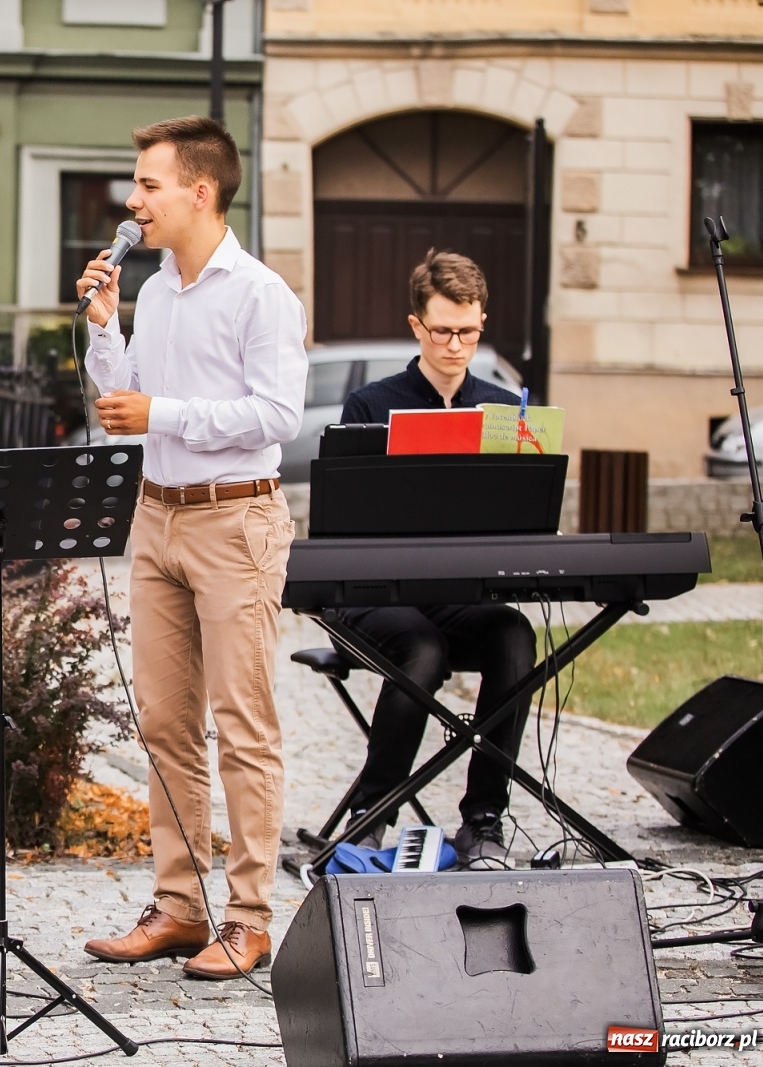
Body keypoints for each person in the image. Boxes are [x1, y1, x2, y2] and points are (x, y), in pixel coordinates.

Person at [76, 116, 308, 980]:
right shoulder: (160, 290)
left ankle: (249, 919)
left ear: (199, 191)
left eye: (148, 184)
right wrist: (105, 328)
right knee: (168, 725)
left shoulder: (259, 294)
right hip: (158, 515)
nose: (133, 202)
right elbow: (124, 399)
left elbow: (279, 416)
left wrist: (161, 415)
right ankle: (178, 906)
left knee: (242, 726)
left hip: (234, 519)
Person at [336, 249, 536, 869]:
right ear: (416, 326)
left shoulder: (503, 409)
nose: (456, 345)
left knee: (513, 635)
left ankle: (483, 819)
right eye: (443, 330)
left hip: (459, 597)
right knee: (422, 648)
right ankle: (371, 815)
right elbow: (345, 528)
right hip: (376, 597)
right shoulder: (371, 405)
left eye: (469, 331)